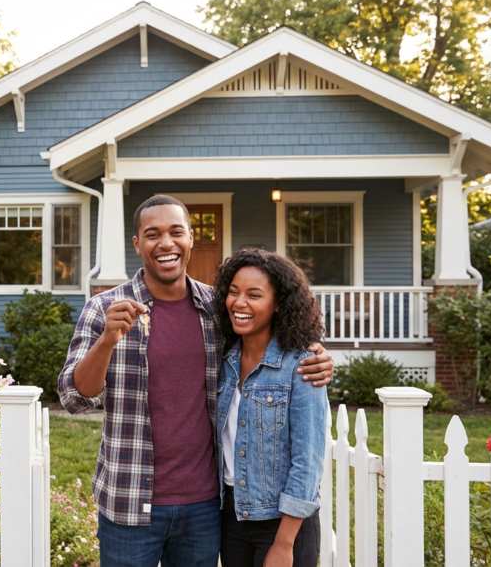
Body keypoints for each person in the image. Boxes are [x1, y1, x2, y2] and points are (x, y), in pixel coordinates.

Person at [58, 195, 333, 567]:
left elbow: (267, 346)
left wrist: (316, 354)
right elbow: (75, 398)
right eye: (152, 234)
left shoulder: (214, 308)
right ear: (137, 243)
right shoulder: (104, 308)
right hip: (129, 500)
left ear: (190, 238)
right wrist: (108, 339)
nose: (166, 243)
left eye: (176, 232)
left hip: (204, 507)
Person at [213, 247, 328, 567]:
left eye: (254, 295)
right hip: (233, 519)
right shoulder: (224, 361)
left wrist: (283, 542)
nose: (240, 303)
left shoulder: (301, 366)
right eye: (233, 292)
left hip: (284, 524)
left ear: (278, 305)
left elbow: (308, 461)